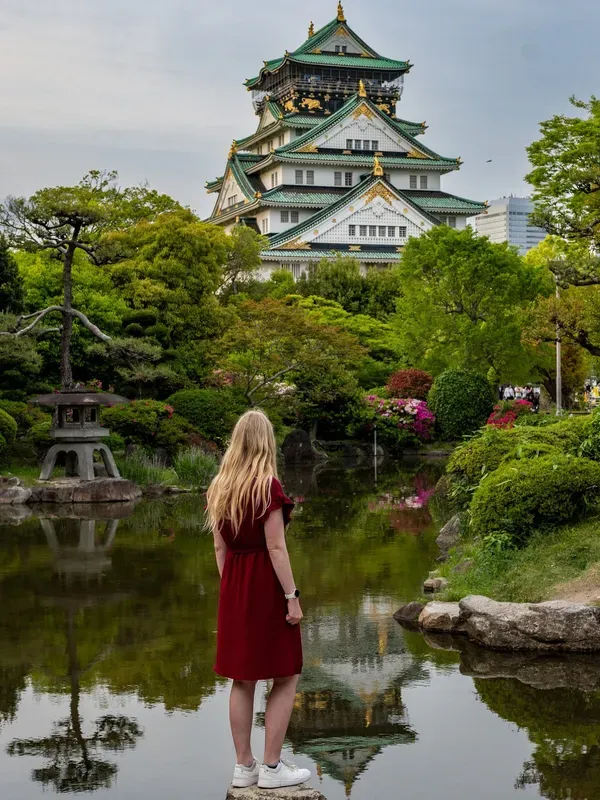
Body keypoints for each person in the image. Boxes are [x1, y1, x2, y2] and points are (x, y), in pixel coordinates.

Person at [206, 410, 310, 791]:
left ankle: (243, 766)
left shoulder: (219, 487)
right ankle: (271, 767)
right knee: (286, 673)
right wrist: (291, 597)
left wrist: (234, 589)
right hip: (267, 588)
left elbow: (220, 548)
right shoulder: (267, 487)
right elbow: (276, 548)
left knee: (242, 677)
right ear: (266, 442)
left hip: (234, 588)